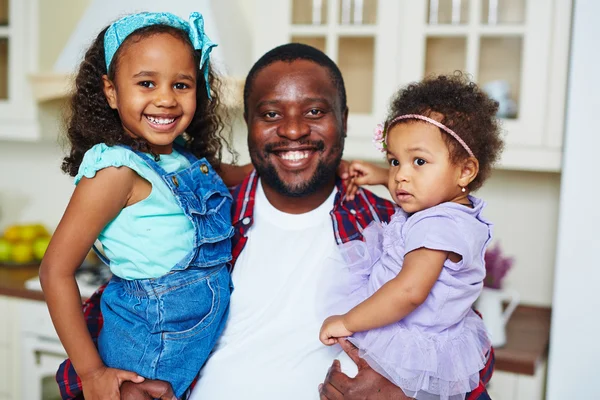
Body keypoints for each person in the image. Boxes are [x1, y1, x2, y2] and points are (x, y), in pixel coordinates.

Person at [55, 44, 495, 400]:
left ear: (344, 121)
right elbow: (115, 325)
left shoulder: (393, 226)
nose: (292, 130)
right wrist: (119, 387)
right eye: (270, 114)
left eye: (315, 112)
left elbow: (461, 350)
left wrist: (402, 395)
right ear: (248, 125)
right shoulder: (202, 217)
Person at [40, 11, 251, 399]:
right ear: (111, 91)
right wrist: (92, 373)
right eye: (147, 83)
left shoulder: (183, 158)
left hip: (185, 355)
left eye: (181, 84)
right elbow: (55, 271)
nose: (166, 99)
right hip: (142, 357)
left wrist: (306, 159)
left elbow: (247, 173)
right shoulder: (115, 169)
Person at [319, 73, 503, 400]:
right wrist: (378, 175)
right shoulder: (448, 210)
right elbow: (416, 195)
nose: (401, 175)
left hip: (408, 338)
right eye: (394, 161)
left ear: (465, 171)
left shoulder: (438, 228)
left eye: (418, 161)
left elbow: (409, 292)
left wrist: (347, 321)